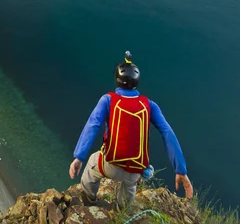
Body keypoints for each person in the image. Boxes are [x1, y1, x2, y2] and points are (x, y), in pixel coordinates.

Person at [69, 51, 193, 208]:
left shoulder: (108, 99)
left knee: (91, 169)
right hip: (136, 171)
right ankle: (121, 210)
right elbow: (168, 133)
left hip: (110, 164)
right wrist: (180, 170)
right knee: (129, 188)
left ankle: (90, 201)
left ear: (117, 80)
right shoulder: (149, 105)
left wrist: (78, 157)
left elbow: (92, 125)